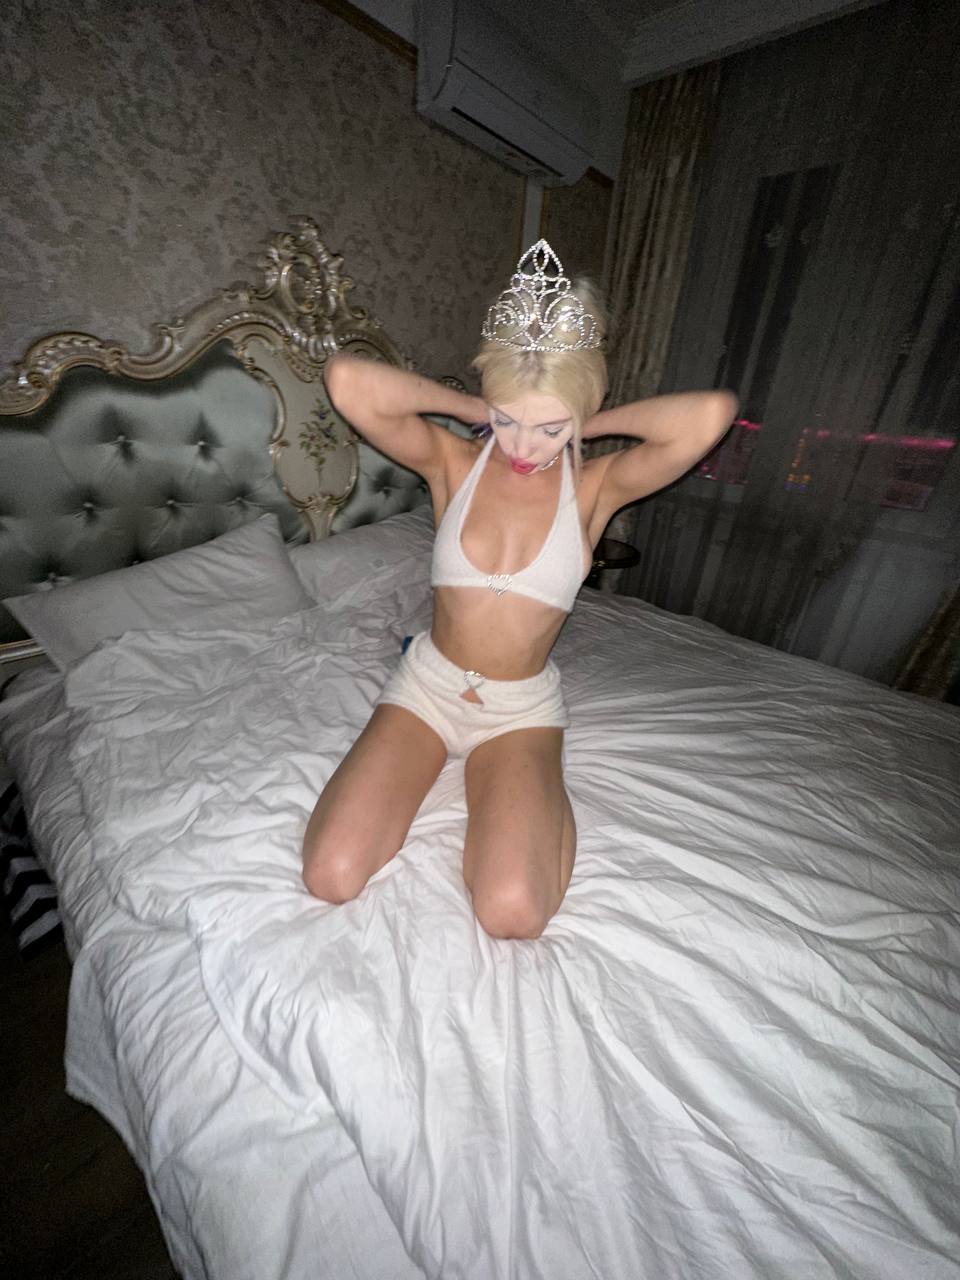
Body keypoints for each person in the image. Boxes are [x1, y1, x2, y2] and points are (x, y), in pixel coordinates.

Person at [302, 239, 737, 938]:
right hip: (427, 690)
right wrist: (483, 403)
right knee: (331, 873)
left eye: (548, 429)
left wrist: (580, 415)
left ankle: (534, 788)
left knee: (512, 914)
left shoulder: (595, 487)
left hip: (518, 711)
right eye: (507, 422)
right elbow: (347, 378)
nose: (523, 447)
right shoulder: (453, 461)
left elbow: (710, 414)